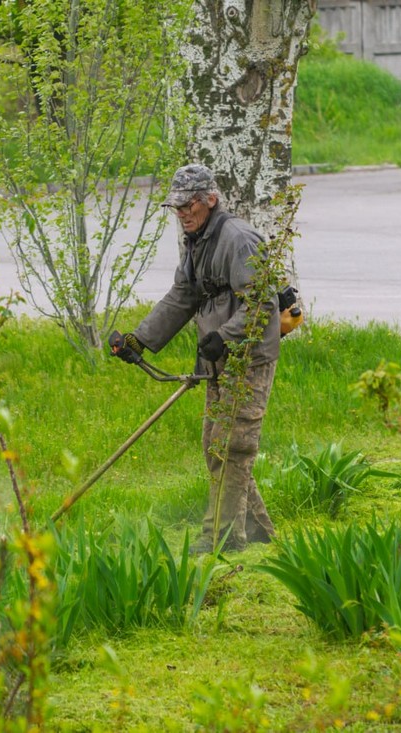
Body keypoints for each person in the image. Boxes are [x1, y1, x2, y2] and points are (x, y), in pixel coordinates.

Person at [114, 163, 281, 553]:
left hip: (247, 359)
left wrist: (225, 337)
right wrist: (139, 341)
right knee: (216, 446)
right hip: (216, 358)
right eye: (177, 207)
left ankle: (222, 539)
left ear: (210, 199)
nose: (182, 214)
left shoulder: (238, 239)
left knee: (232, 446)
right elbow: (181, 297)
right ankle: (261, 533)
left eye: (188, 205)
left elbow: (261, 303)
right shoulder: (197, 242)